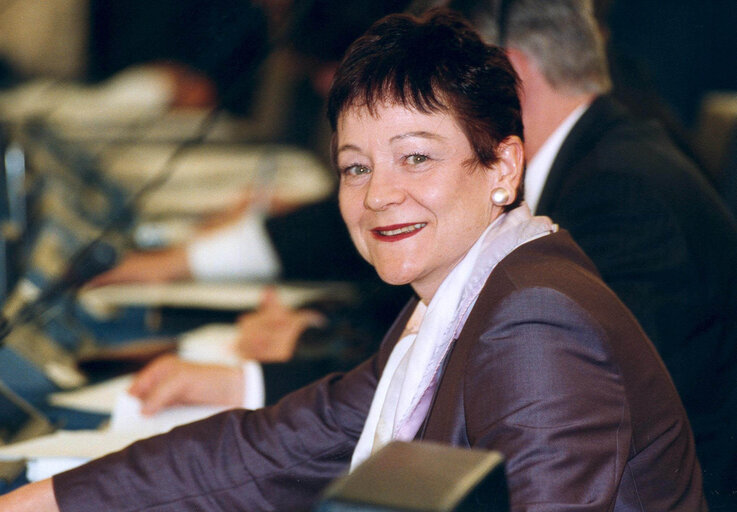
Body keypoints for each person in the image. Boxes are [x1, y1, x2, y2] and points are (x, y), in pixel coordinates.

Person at [0, 9, 705, 511]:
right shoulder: (460, 299)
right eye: (354, 167)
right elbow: (275, 448)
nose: (379, 196)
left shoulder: (533, 321)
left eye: (415, 158)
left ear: (502, 165)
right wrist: (52, 499)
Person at [449, 0, 737, 507]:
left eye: (456, 83)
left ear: (511, 75)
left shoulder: (621, 193)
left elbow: (573, 405)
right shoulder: (596, 160)